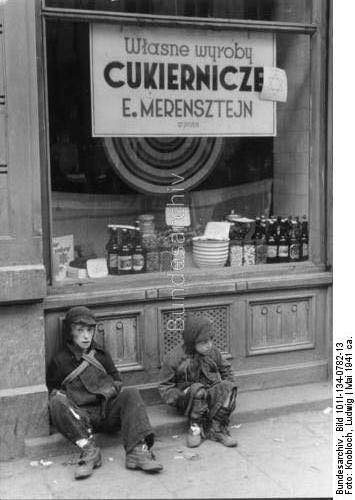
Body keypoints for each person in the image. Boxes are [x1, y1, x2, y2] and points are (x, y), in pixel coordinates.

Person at [46, 306, 163, 479]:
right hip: (80, 419)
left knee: (131, 393)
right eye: (80, 330)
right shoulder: (60, 361)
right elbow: (54, 391)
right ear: (70, 332)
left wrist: (106, 390)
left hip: (105, 411)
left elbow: (116, 379)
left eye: (90, 330)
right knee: (56, 401)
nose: (86, 335)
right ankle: (89, 451)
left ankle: (137, 451)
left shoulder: (100, 354)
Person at [159, 314, 238, 448]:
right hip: (188, 399)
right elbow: (165, 387)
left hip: (209, 395)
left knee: (229, 386)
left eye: (210, 340)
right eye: (203, 342)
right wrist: (178, 397)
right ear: (192, 341)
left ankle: (216, 428)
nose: (209, 345)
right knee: (198, 390)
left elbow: (226, 370)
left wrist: (226, 391)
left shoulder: (213, 352)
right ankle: (195, 427)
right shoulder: (174, 357)